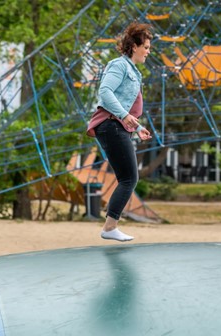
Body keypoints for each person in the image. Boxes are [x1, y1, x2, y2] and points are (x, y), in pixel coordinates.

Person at [86, 22, 153, 242]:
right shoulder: (119, 66)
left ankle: (110, 226)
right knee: (129, 178)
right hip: (111, 125)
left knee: (128, 178)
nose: (148, 52)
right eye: (146, 47)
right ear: (134, 46)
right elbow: (105, 92)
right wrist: (124, 117)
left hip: (118, 126)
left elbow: (127, 109)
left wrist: (139, 127)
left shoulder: (134, 72)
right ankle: (109, 227)